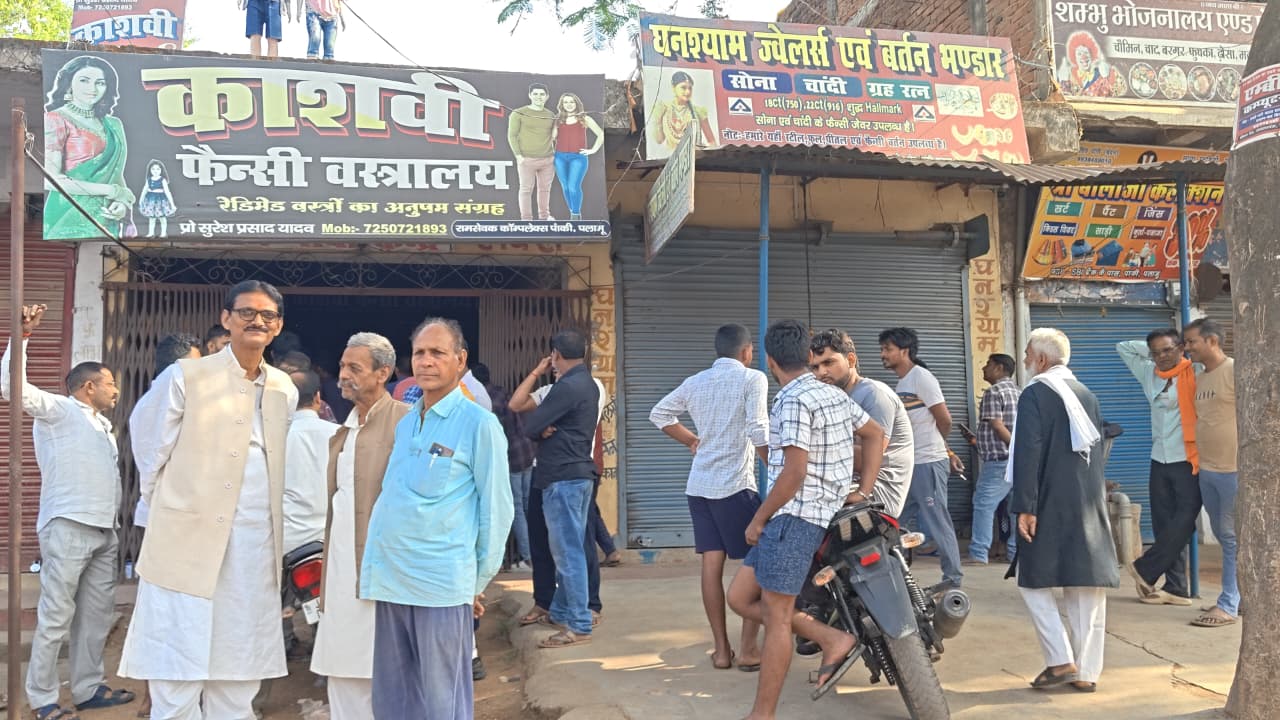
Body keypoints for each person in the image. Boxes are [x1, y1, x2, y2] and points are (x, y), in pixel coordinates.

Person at [119, 280, 298, 720]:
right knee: (176, 664)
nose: (257, 321)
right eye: (246, 313)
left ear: (277, 327)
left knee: (238, 671)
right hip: (186, 543)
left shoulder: (283, 389)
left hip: (253, 549)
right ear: (226, 319)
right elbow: (148, 443)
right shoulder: (186, 376)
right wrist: (172, 509)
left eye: (267, 316)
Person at [726, 319, 884, 718]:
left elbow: (794, 472)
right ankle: (832, 637)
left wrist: (757, 519)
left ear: (769, 360)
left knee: (777, 618)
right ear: (806, 355)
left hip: (796, 517)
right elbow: (875, 433)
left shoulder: (793, 399)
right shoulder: (829, 393)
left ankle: (762, 714)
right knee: (740, 598)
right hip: (815, 514)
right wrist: (862, 490)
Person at [360, 318, 512, 719]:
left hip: (440, 586)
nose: (426, 362)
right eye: (419, 353)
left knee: (441, 702)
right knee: (393, 700)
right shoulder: (408, 421)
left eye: (437, 353)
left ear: (460, 360)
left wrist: (475, 583)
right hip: (392, 580)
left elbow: (497, 510)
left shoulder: (480, 424)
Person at [2, 304, 134, 720]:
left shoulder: (102, 426)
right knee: (56, 617)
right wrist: (20, 338)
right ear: (87, 386)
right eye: (109, 383)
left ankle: (87, 688)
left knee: (94, 617)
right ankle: (42, 699)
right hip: (69, 527)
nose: (116, 389)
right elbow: (13, 388)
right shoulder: (59, 411)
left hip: (102, 531)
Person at [648, 323, 768, 672]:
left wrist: (690, 440)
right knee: (756, 565)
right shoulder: (752, 379)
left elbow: (659, 414)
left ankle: (720, 651)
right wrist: (777, 468)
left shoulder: (696, 381)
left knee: (710, 567)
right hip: (735, 488)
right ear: (747, 352)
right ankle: (748, 649)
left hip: (698, 487)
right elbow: (759, 428)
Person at [1010, 328, 1117, 693]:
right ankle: (1087, 673)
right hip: (1086, 501)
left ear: (1040, 359)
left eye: (1027, 355)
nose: (1024, 361)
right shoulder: (1086, 393)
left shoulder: (1035, 392)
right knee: (1085, 585)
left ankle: (1060, 660)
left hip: (1048, 500)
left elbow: (1028, 451)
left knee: (1032, 580)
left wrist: (1025, 505)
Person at [310, 332, 408, 719]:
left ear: (383, 373)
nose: (343, 375)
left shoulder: (407, 422)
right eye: (341, 367)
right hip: (340, 572)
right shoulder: (343, 432)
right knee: (343, 666)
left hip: (388, 572)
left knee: (387, 668)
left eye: (355, 368)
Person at [512, 329, 600, 648]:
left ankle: (578, 624)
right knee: (570, 548)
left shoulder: (566, 386)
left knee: (567, 553)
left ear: (555, 355)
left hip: (562, 478)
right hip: (577, 475)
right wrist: (544, 428)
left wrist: (543, 429)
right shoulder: (586, 383)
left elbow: (531, 425)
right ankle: (563, 610)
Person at [1118, 330, 1199, 605]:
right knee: (1164, 522)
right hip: (1159, 457)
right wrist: (1152, 351)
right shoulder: (1149, 373)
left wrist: (1174, 348)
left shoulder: (1196, 371)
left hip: (1188, 458)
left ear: (1181, 348)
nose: (1162, 357)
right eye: (1156, 353)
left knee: (1185, 520)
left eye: (1167, 350)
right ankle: (1176, 587)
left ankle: (1145, 568)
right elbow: (1124, 346)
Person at [879, 327, 964, 589]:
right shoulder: (903, 382)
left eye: (888, 349)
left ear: (904, 351)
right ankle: (891, 576)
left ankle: (952, 579)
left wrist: (942, 448)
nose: (883, 354)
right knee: (892, 521)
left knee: (938, 520)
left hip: (927, 462)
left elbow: (944, 419)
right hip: (911, 464)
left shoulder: (921, 378)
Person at [809, 329, 913, 517]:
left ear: (850, 360)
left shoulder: (874, 394)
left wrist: (809, 447)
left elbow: (868, 458)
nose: (821, 372)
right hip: (847, 486)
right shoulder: (836, 398)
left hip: (876, 493)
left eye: (828, 363)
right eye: (815, 367)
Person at [1182, 319, 1238, 629]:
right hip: (1209, 469)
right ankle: (1237, 597)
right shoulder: (1200, 378)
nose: (1187, 348)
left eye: (1192, 342)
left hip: (1234, 469)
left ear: (1212, 341)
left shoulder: (1235, 371)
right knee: (1224, 537)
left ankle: (1229, 603)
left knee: (1231, 539)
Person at [43, 55, 134, 241]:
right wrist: (111, 191)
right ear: (69, 84)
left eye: (100, 83)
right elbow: (50, 181)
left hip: (106, 214)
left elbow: (116, 174)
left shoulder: (113, 124)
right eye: (84, 81)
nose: (92, 89)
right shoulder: (56, 119)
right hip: (67, 213)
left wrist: (122, 202)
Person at [282, 370, 338, 655]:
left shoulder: (276, 439)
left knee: (275, 606)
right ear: (318, 398)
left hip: (286, 542)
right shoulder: (338, 435)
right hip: (328, 541)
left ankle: (283, 647)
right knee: (329, 605)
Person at [473, 364, 536, 571]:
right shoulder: (500, 391)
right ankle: (535, 554)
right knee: (527, 507)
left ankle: (528, 558)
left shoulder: (485, 401)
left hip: (512, 459)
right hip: (526, 452)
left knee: (515, 508)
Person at [967, 353, 1021, 565]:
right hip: (1018, 461)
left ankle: (979, 554)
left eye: (988, 364)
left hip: (1000, 460)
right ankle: (1014, 554)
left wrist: (1013, 449)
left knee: (983, 505)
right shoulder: (1020, 392)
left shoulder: (994, 392)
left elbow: (998, 426)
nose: (983, 368)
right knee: (1015, 508)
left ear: (999, 368)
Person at [508, 83, 558, 221]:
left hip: (548, 159)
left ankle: (544, 216)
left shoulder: (550, 115)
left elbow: (554, 135)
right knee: (525, 190)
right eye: (535, 94)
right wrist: (518, 156)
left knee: (544, 190)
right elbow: (512, 135)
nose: (538, 97)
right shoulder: (518, 113)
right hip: (526, 158)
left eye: (542, 94)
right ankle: (526, 219)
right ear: (530, 95)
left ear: (547, 97)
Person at [551, 93, 603, 221]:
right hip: (560, 157)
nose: (569, 104)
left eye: (572, 102)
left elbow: (601, 134)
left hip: (578, 157)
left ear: (577, 104)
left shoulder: (584, 118)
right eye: (566, 102)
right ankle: (572, 209)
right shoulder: (558, 119)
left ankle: (575, 215)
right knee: (565, 187)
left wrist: (593, 150)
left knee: (573, 186)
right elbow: (552, 137)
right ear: (562, 105)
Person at [652, 71, 717, 152]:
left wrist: (703, 149)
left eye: (690, 88)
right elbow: (659, 140)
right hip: (670, 160)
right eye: (683, 87)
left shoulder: (698, 111)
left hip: (693, 160)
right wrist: (658, 121)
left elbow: (712, 142)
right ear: (673, 87)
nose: (688, 92)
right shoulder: (664, 108)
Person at [136, 159, 176, 238]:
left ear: (161, 170)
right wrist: (141, 200)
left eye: (158, 169)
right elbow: (144, 190)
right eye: (153, 169)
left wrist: (172, 204)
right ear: (150, 170)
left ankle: (163, 233)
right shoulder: (149, 180)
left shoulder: (162, 180)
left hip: (161, 200)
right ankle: (151, 233)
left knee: (162, 218)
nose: (155, 171)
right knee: (151, 218)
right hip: (150, 200)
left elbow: (167, 192)